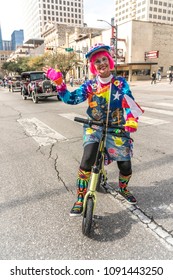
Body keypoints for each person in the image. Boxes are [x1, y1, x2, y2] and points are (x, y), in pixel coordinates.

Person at [43, 43, 144, 216]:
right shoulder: (90, 86)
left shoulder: (121, 83)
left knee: (126, 166)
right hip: (94, 127)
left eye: (104, 59)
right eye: (97, 61)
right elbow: (71, 99)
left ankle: (123, 189)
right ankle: (80, 199)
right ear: (93, 66)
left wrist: (131, 120)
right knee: (87, 159)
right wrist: (59, 83)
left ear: (110, 61)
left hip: (117, 127)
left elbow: (129, 103)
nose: (101, 63)